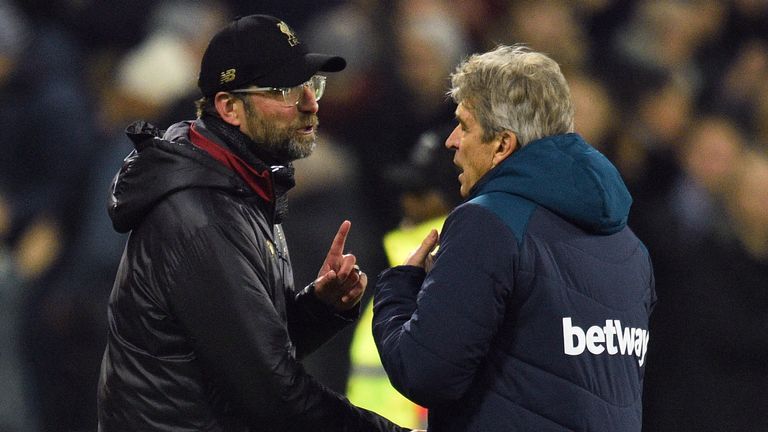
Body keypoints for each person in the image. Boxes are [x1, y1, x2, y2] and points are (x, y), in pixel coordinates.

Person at [97, 14, 410, 432]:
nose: (311, 103)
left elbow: (245, 351)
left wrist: (319, 309)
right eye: (285, 91)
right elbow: (273, 393)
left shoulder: (238, 183)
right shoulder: (200, 216)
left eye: (311, 85)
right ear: (229, 107)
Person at [372, 44, 656, 431]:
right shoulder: (631, 247)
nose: (451, 141)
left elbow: (424, 373)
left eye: (464, 125)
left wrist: (400, 290)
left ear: (503, 144)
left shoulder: (488, 222)